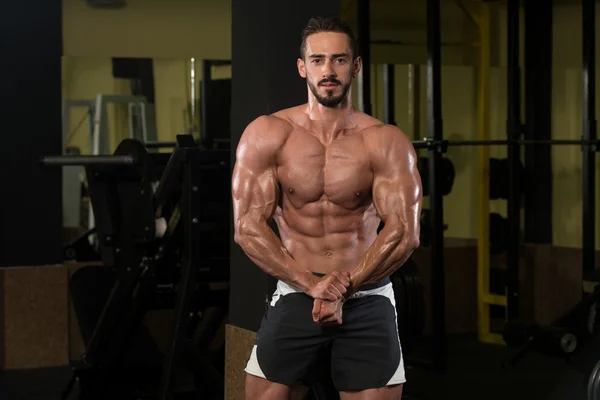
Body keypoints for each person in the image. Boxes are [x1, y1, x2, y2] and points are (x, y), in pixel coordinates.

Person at [232, 15, 422, 400]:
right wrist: (313, 285)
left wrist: (342, 288)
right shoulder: (269, 134)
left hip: (367, 292)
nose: (328, 70)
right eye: (317, 60)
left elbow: (404, 233)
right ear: (302, 67)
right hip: (297, 287)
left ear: (355, 66)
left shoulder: (384, 141)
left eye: (338, 60)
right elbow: (247, 227)